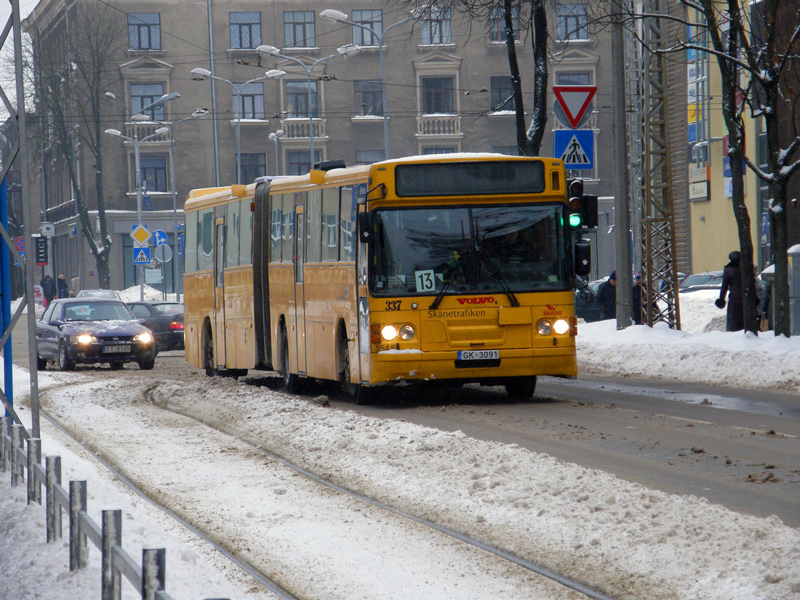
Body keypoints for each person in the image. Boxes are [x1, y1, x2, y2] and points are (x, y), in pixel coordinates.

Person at [715, 251, 743, 332]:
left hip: (734, 298)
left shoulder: (728, 270)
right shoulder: (745, 268)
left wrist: (721, 300)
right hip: (745, 297)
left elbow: (724, 287)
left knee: (733, 320)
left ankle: (732, 334)